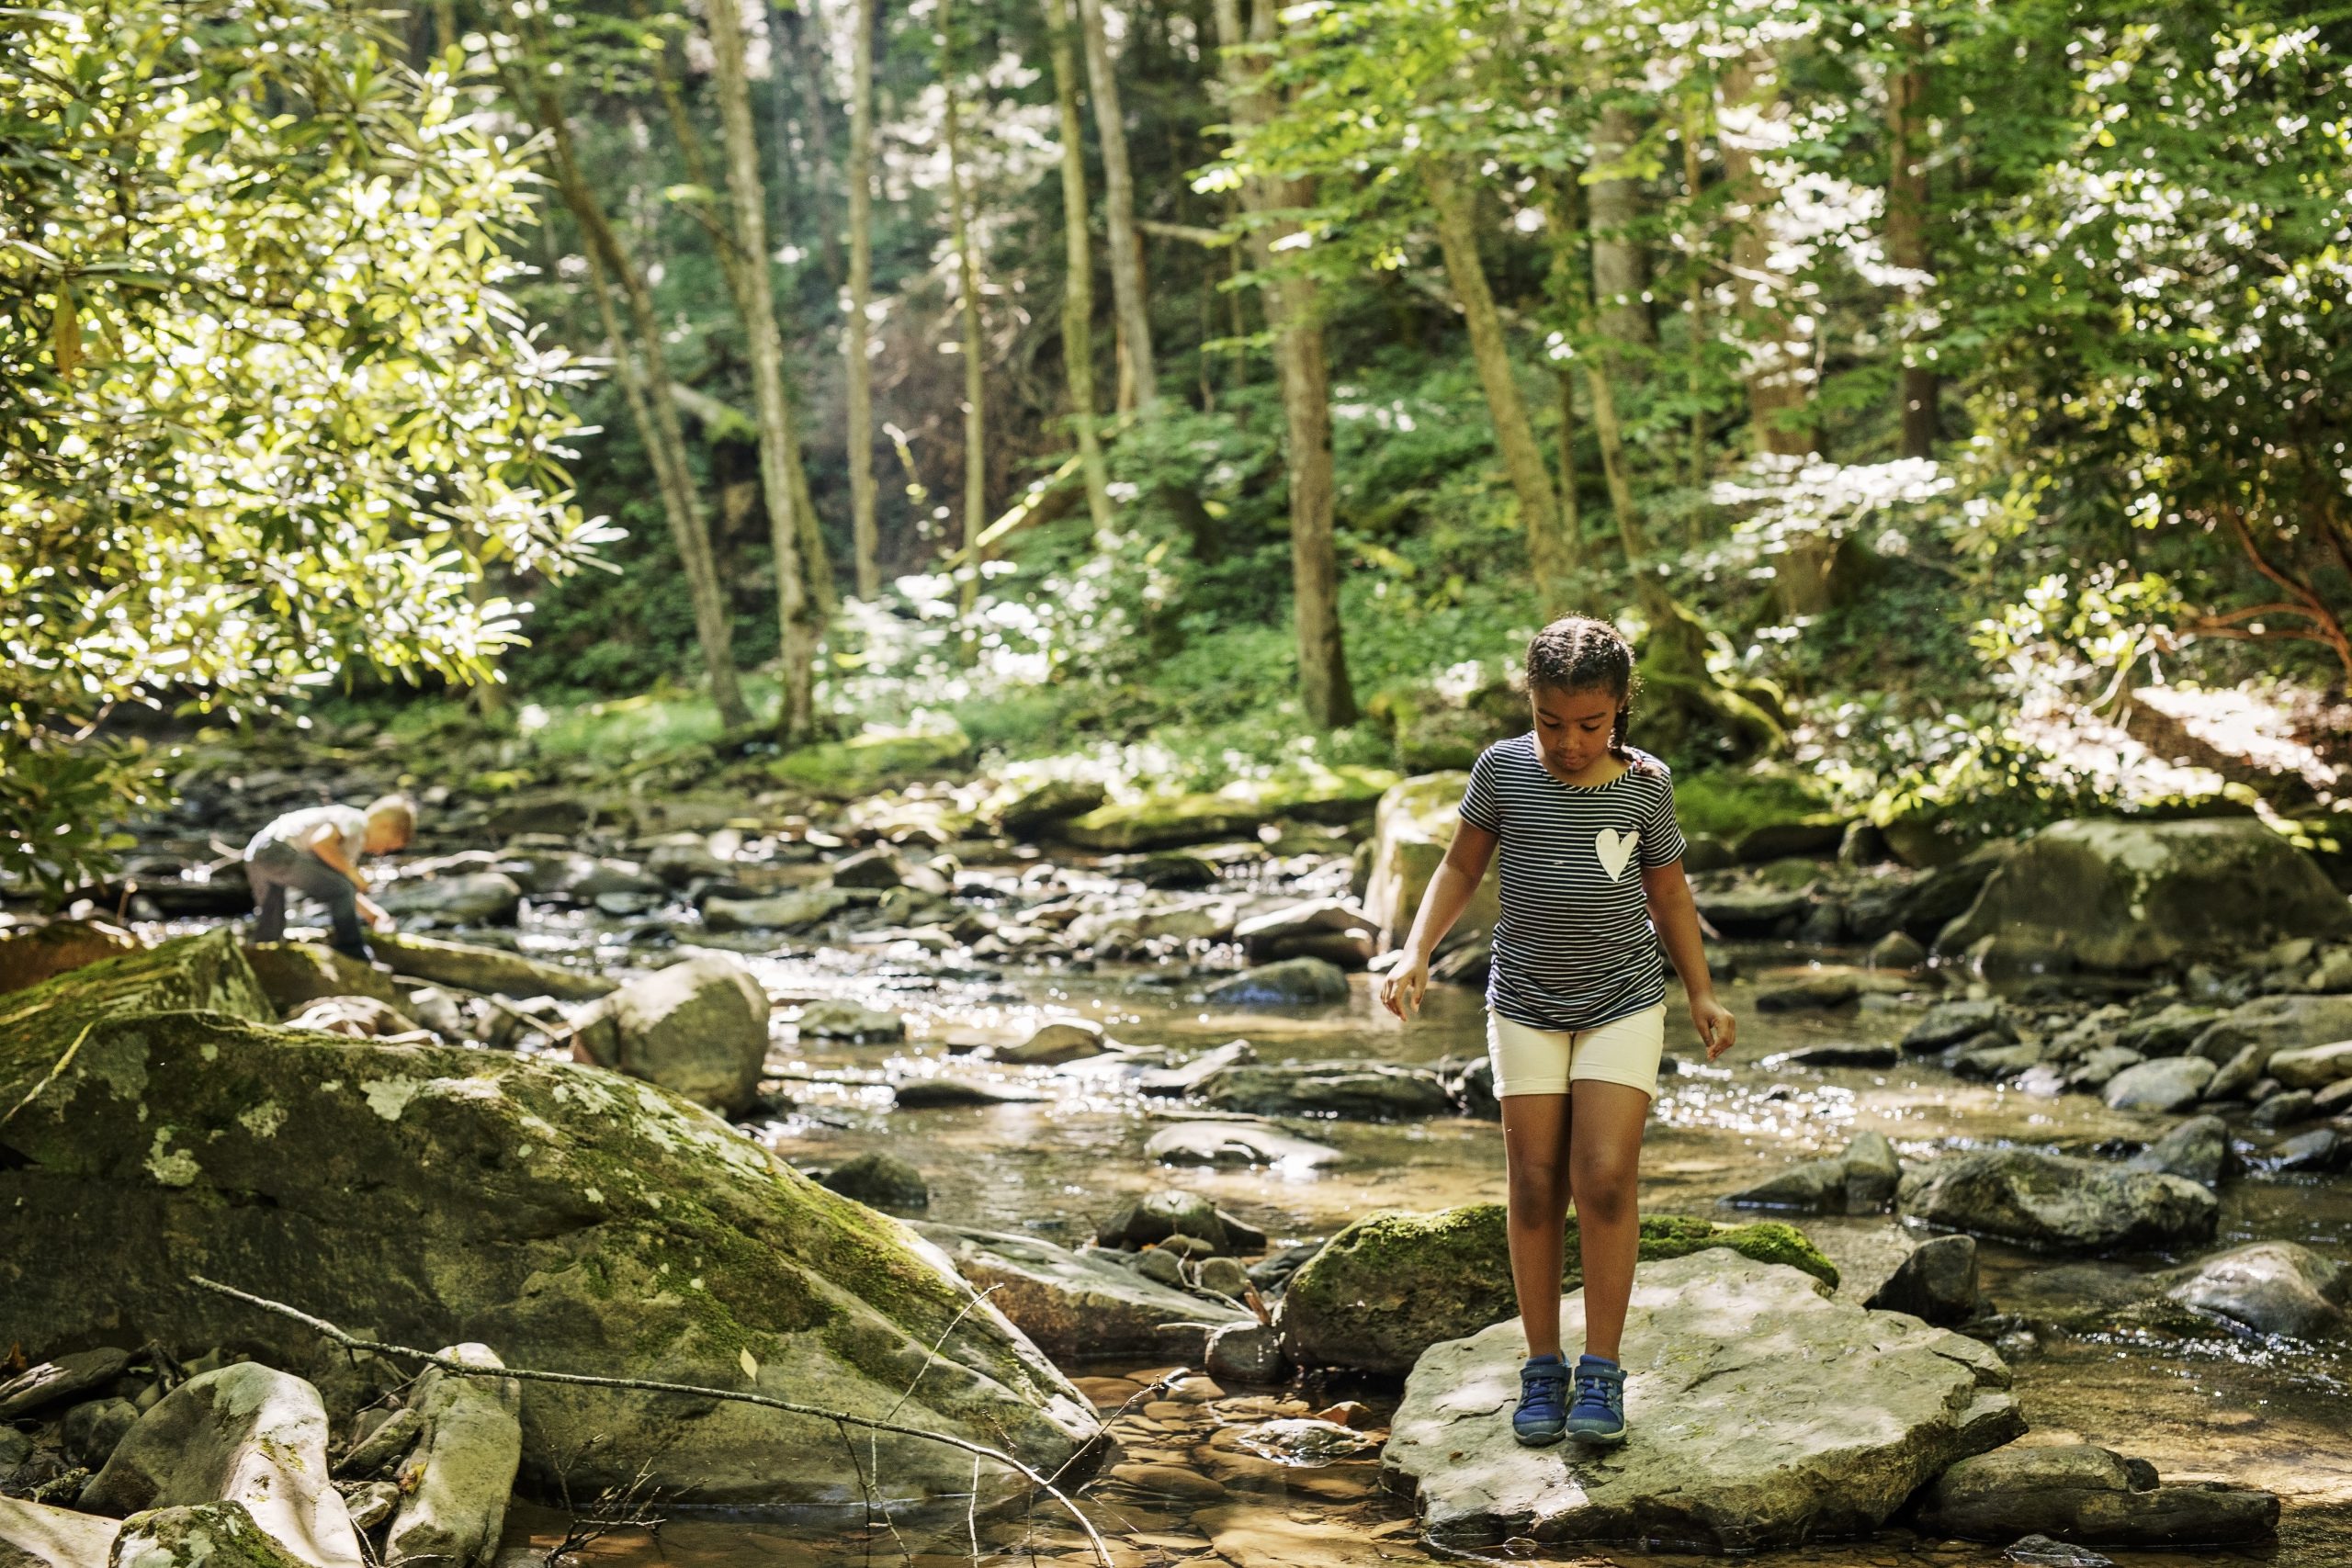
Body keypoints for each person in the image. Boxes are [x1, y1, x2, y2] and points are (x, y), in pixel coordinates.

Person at [1377, 615, 1735, 1449]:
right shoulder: (1501, 770)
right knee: (1536, 1182)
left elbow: (1671, 895)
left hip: (1623, 998)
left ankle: (1602, 1369)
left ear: (1619, 711)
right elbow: (1462, 865)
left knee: (1604, 1175)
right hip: (1526, 1003)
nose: (1569, 743)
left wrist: (1702, 994)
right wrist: (1416, 950)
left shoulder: (1647, 785)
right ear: (1529, 704)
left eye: (1590, 725)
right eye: (1550, 722)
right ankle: (1543, 1365)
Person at [244, 795, 415, 959]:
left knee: (272, 919)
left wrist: (372, 914)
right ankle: (352, 950)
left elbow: (335, 883)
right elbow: (321, 842)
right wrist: (352, 873)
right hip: (277, 851)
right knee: (342, 888)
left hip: (257, 850)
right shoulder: (356, 822)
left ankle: (263, 954)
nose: (382, 851)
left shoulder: (347, 834)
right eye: (388, 845)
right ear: (384, 826)